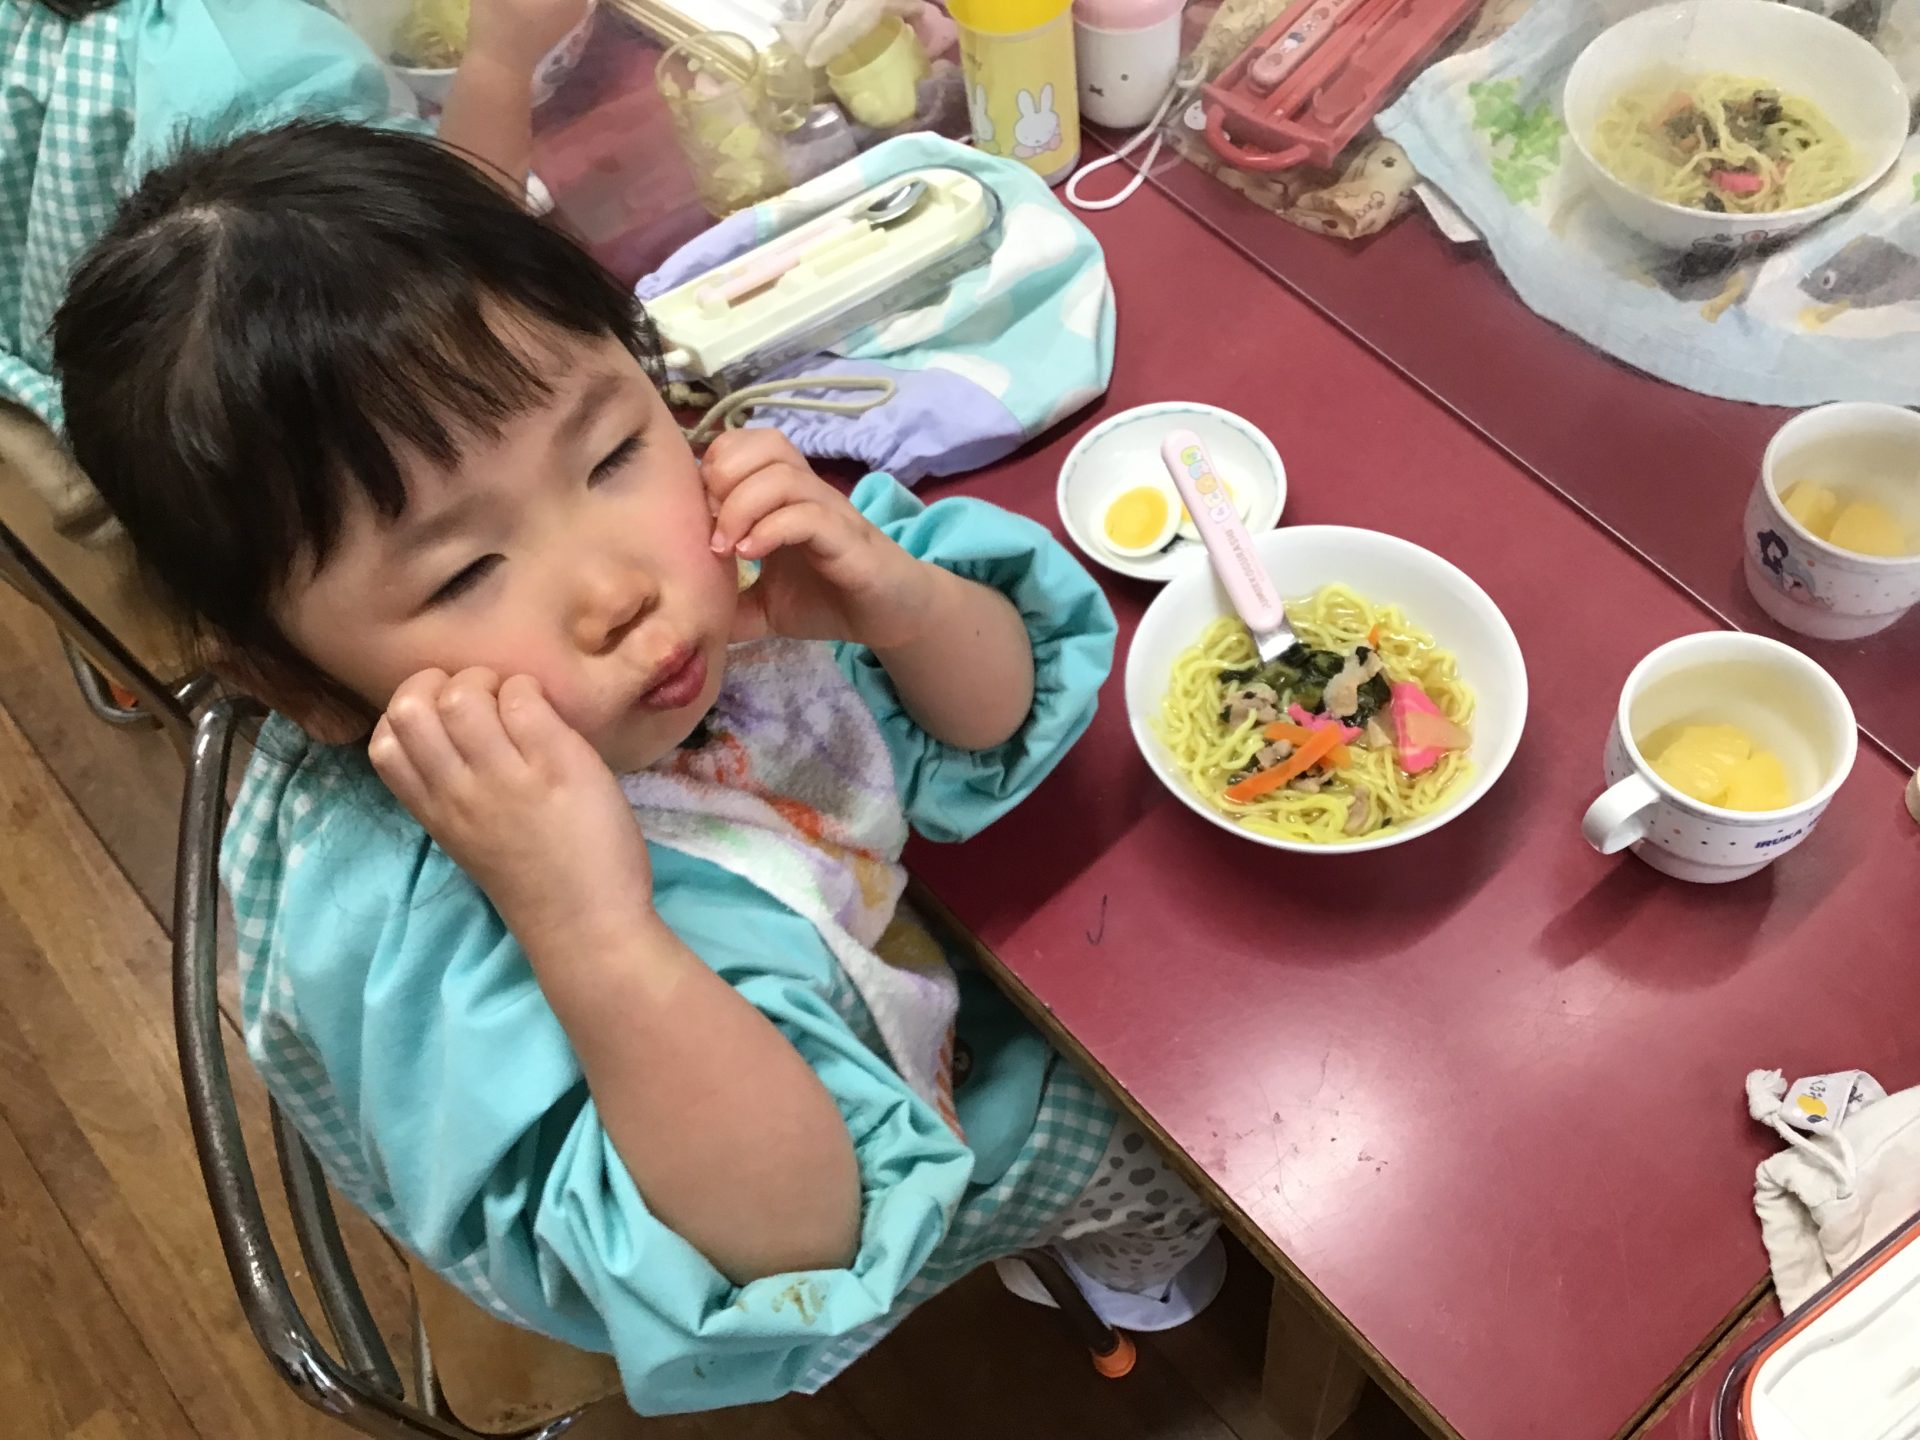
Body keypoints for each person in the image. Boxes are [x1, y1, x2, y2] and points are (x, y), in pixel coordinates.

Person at [53, 119, 1221, 1412]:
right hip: (780, 1175)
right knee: (1154, 1130)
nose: (619, 587)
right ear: (302, 685)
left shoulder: (735, 557)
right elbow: (792, 1240)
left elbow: (993, 719)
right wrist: (592, 930)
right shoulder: (441, 953)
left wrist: (906, 606)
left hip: (851, 953)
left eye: (611, 452)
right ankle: (1139, 1275)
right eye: (466, 572)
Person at [2, 0, 583, 531]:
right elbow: (445, 259)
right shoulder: (245, 61)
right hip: (261, 440)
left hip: (60, 348)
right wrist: (500, 58)